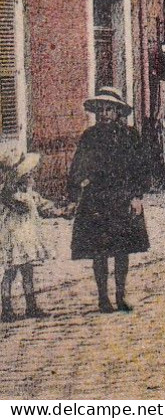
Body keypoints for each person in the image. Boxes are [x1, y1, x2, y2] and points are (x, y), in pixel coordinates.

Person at [68, 87, 151, 311]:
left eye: (109, 109)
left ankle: (120, 295)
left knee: (122, 249)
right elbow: (77, 166)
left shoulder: (130, 136)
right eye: (101, 110)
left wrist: (136, 196)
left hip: (122, 197)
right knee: (99, 250)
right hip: (96, 199)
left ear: (118, 112)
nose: (105, 114)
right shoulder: (90, 137)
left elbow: (140, 168)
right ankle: (103, 298)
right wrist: (76, 191)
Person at [1, 145, 61, 321]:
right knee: (11, 272)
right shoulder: (9, 196)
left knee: (27, 271)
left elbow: (43, 204)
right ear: (21, 178)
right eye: (29, 175)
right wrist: (17, 206)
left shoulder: (28, 194)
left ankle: (30, 306)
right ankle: (6, 309)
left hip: (26, 238)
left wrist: (59, 210)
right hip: (14, 238)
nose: (32, 178)